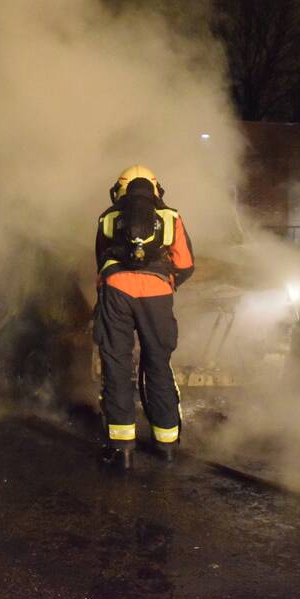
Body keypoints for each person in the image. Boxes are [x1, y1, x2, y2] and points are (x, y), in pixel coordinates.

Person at [93, 165, 195, 469]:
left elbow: (100, 262)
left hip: (116, 292)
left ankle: (122, 448)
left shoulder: (108, 218)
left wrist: (109, 290)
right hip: (157, 295)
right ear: (156, 189)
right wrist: (166, 282)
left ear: (120, 190)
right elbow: (186, 264)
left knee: (117, 365)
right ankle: (166, 446)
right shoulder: (171, 218)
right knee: (158, 366)